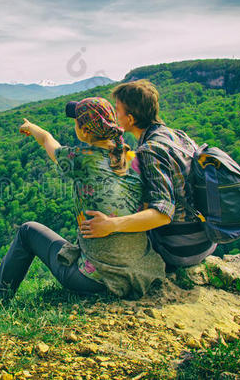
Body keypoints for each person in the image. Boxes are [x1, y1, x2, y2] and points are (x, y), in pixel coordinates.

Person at [0, 97, 165, 301]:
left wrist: (31, 127)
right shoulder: (134, 159)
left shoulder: (81, 158)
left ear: (85, 131)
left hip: (94, 280)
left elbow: (47, 140)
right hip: (141, 273)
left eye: (76, 122)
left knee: (27, 231)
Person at [80, 80, 216, 269]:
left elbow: (162, 215)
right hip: (207, 239)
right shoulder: (177, 135)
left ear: (131, 119)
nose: (115, 117)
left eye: (118, 111)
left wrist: (112, 224)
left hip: (179, 248)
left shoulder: (149, 151)